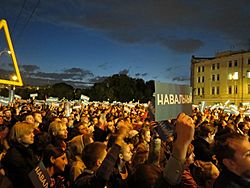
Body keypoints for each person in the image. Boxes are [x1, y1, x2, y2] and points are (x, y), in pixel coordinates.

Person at [73, 122, 129, 188]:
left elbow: (123, 178)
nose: (109, 161)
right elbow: (100, 178)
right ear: (99, 163)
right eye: (106, 157)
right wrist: (118, 141)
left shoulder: (109, 175)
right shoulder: (83, 181)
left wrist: (119, 157)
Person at [2, 122, 39, 188]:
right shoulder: (14, 156)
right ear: (19, 138)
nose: (33, 135)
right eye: (28, 133)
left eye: (32, 132)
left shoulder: (28, 149)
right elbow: (24, 181)